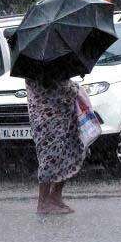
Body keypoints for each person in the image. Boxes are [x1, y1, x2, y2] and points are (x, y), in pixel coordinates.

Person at [25, 72, 85, 215]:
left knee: (67, 155)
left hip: (63, 120)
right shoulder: (37, 70)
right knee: (50, 159)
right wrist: (75, 88)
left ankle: (55, 197)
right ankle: (43, 203)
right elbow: (60, 90)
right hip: (48, 124)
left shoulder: (53, 66)